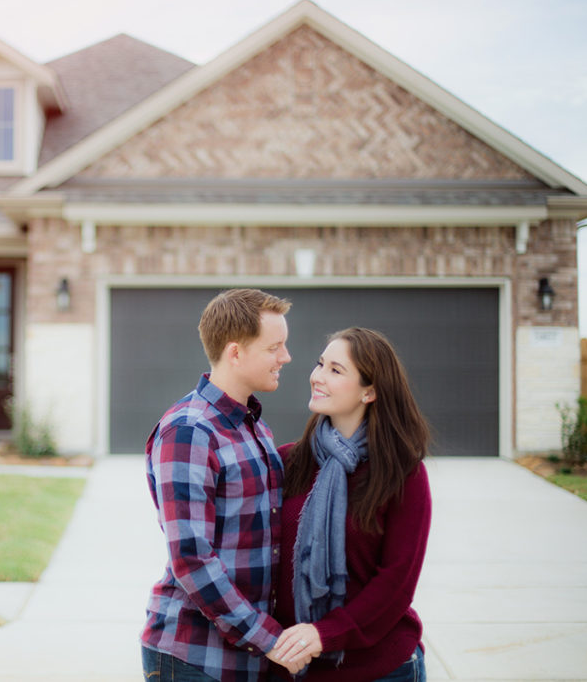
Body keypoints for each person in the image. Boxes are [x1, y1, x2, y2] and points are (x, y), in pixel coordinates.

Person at [141, 288, 312, 681]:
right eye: (275, 347)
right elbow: (192, 559)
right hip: (193, 658)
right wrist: (270, 639)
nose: (285, 358)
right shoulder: (189, 431)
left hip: (245, 658)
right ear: (235, 353)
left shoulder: (253, 426)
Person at [272, 327, 432, 681]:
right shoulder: (290, 462)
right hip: (294, 665)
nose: (317, 376)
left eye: (335, 370)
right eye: (320, 364)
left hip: (379, 668)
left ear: (370, 391)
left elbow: (396, 583)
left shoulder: (402, 472)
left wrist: (325, 633)